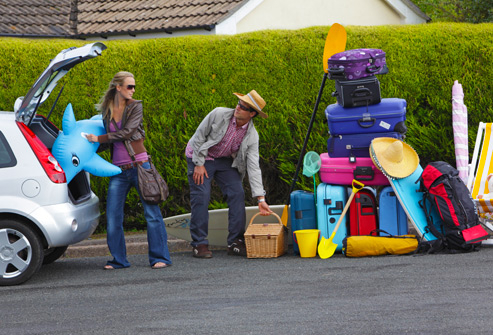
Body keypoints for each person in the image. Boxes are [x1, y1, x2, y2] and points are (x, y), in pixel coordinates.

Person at [86, 71, 172, 270]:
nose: (133, 90)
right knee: (113, 217)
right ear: (118, 87)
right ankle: (118, 260)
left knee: (152, 214)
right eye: (129, 86)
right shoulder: (106, 111)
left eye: (134, 86)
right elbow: (111, 142)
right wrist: (88, 148)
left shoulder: (136, 106)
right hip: (118, 170)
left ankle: (161, 258)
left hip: (141, 166)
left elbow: (128, 133)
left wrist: (97, 139)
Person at [185, 89, 273, 258]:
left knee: (237, 193)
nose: (237, 107)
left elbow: (253, 167)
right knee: (202, 195)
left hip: (224, 160)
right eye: (239, 103)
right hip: (200, 156)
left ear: (252, 114)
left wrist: (260, 198)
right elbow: (198, 137)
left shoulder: (252, 135)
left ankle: (235, 242)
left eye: (243, 107)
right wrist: (198, 163)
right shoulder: (218, 114)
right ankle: (199, 243)